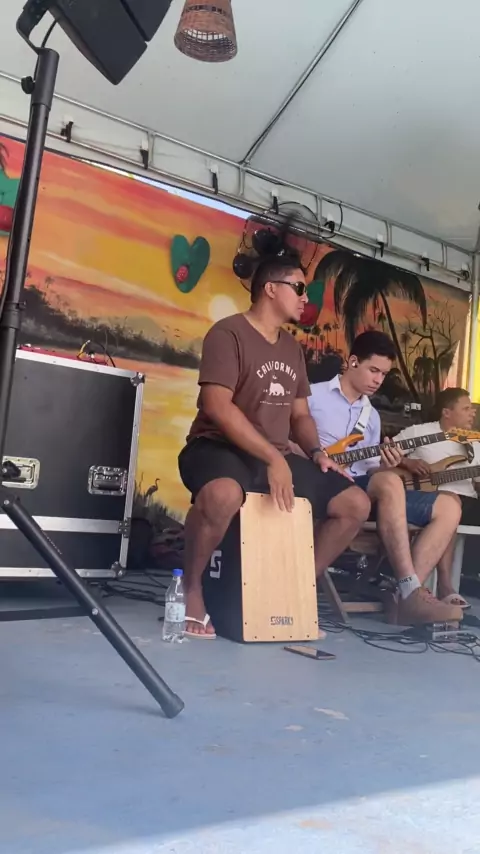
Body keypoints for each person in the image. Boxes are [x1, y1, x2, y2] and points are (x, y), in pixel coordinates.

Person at [178, 256, 371, 638]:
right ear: (270, 289)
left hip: (275, 456)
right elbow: (217, 406)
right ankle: (191, 588)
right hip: (216, 447)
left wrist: (316, 453)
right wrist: (271, 457)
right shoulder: (228, 333)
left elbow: (300, 415)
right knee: (223, 495)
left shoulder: (292, 349)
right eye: (299, 288)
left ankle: (294, 589)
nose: (305, 298)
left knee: (354, 504)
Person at [307, 331, 463, 625]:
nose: (378, 380)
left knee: (449, 504)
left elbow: (370, 470)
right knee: (390, 483)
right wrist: (316, 456)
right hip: (323, 484)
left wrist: (388, 463)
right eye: (373, 370)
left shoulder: (372, 417)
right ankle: (410, 589)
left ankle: (406, 594)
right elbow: (288, 443)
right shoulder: (313, 397)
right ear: (353, 361)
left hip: (362, 488)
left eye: (384, 374)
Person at [395, 387, 480, 607]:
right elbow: (385, 452)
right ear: (446, 412)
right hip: (422, 498)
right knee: (450, 502)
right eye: (466, 408)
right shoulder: (419, 432)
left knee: (453, 502)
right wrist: (408, 462)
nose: (473, 413)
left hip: (466, 502)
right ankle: (444, 587)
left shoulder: (474, 444)